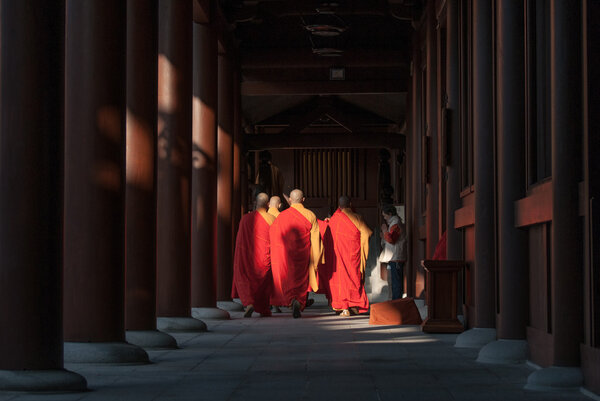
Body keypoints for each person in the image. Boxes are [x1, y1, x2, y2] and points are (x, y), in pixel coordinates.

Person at [269, 189, 323, 318]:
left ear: (290, 200)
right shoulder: (310, 215)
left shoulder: (281, 217)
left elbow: (274, 238)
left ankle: (291, 301)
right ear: (303, 200)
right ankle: (299, 300)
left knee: (288, 280)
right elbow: (316, 239)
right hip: (303, 256)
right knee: (302, 281)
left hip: (286, 257)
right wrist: (316, 259)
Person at [231, 193, 276, 318]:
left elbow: (240, 241)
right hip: (264, 258)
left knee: (247, 281)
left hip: (247, 257)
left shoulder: (245, 219)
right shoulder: (271, 219)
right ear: (267, 204)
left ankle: (249, 303)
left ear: (255, 203)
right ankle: (264, 309)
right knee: (264, 285)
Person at [329, 196, 373, 317]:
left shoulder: (333, 219)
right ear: (351, 204)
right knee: (353, 279)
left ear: (339, 206)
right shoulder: (357, 218)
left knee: (340, 280)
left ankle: (343, 307)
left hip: (338, 256)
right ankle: (352, 305)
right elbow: (367, 233)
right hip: (353, 257)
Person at [381, 205, 406, 300]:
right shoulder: (394, 223)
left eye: (385, 216)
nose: (385, 218)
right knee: (394, 282)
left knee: (396, 283)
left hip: (396, 257)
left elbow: (391, 239)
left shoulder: (396, 224)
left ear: (390, 214)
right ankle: (395, 301)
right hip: (394, 256)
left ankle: (396, 302)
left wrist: (384, 231)